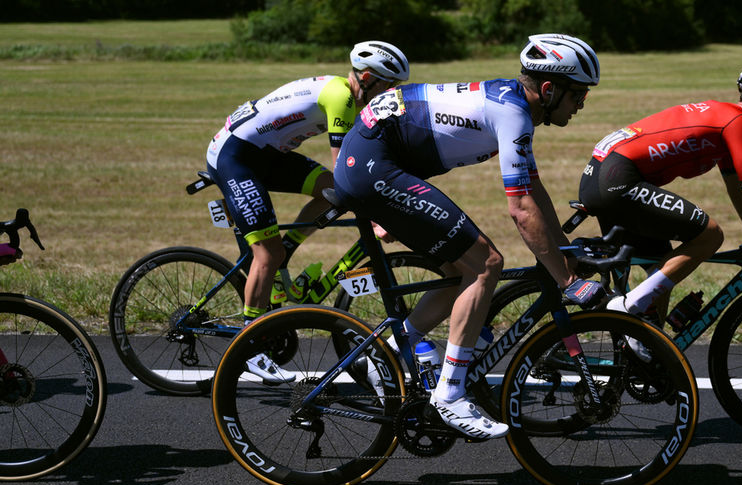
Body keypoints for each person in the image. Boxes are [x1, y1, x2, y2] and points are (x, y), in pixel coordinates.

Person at [333, 34, 606, 439]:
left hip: (381, 157)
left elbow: (533, 189)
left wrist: (563, 255)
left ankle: (386, 354)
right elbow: (521, 210)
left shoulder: (513, 106)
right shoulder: (513, 113)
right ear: (549, 90)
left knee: (457, 271)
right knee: (486, 264)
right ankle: (450, 395)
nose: (582, 103)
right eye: (578, 94)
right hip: (374, 164)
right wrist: (567, 281)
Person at [205, 41, 409, 383]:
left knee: (327, 190)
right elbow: (347, 169)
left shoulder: (343, 92)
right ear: (370, 78)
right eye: (390, 86)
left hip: (263, 153)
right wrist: (379, 213)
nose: (392, 94)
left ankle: (287, 250)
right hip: (235, 156)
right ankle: (250, 348)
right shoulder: (342, 97)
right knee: (267, 253)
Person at [578, 60, 742, 337]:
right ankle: (628, 307)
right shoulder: (737, 123)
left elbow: (739, 193)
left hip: (605, 174)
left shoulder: (726, 119)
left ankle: (639, 347)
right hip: (616, 178)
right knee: (711, 235)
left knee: (660, 269)